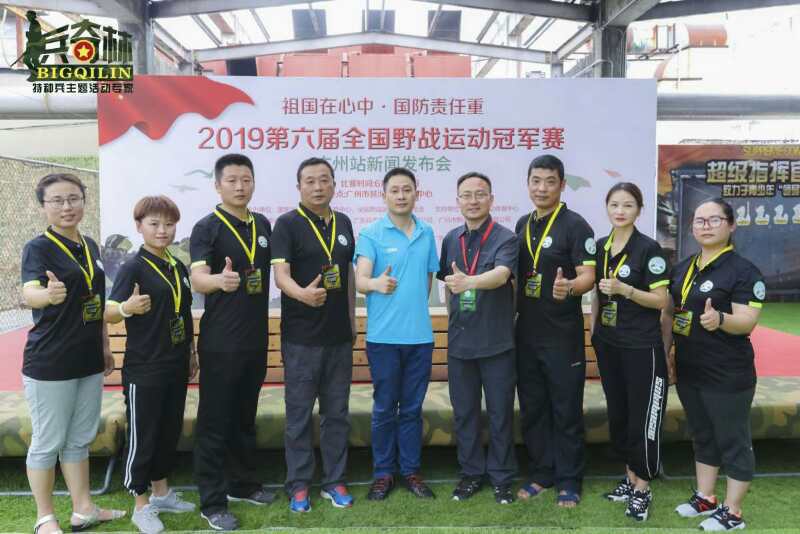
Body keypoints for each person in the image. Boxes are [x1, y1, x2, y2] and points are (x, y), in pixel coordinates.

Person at [20, 173, 124, 534]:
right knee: (47, 442)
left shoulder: (90, 245)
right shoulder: (38, 248)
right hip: (50, 361)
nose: (67, 207)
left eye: (73, 199)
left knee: (80, 439)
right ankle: (44, 518)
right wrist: (47, 295)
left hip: (88, 358)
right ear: (43, 206)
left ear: (83, 201)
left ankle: (84, 509)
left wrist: (105, 346)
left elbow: (97, 303)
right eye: (57, 201)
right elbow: (29, 293)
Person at [663, 198, 765, 532]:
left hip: (728, 372)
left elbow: (747, 320)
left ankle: (733, 512)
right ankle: (705, 497)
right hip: (691, 368)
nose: (705, 226)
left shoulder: (744, 271)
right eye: (699, 220)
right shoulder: (683, 268)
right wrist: (666, 353)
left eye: (714, 220)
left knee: (733, 439)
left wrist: (720, 319)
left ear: (731, 225)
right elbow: (669, 313)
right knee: (703, 434)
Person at [189, 154, 273, 531]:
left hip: (255, 339)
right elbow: (197, 278)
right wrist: (218, 282)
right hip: (221, 342)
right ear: (217, 185)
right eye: (232, 180)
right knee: (215, 422)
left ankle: (243, 484)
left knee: (244, 418)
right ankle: (212, 502)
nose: (240, 186)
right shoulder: (206, 228)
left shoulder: (263, 225)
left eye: (246, 179)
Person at [104, 196, 198, 533]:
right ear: (139, 226)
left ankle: (161, 493)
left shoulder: (177, 266)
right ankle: (140, 504)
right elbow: (108, 312)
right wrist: (126, 308)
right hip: (145, 367)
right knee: (143, 436)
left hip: (175, 363)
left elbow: (183, 313)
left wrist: (191, 353)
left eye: (169, 224)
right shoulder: (133, 267)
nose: (162, 230)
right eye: (154, 224)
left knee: (167, 431)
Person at [270, 158, 356, 512]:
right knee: (299, 416)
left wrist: (352, 321)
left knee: (337, 415)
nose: (318, 187)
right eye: (310, 181)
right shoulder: (287, 225)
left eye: (324, 180)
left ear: (334, 184)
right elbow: (281, 275)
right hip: (301, 340)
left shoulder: (344, 222)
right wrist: (302, 294)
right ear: (299, 187)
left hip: (339, 339)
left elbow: (348, 276)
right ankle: (299, 484)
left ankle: (334, 481)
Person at [514, 155, 596, 507]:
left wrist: (571, 287)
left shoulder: (576, 226)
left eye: (550, 181)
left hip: (562, 336)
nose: (542, 188)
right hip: (526, 334)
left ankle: (569, 480)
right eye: (536, 181)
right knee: (533, 407)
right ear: (528, 184)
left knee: (566, 409)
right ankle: (542, 472)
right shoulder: (522, 224)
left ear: (562, 185)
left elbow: (588, 276)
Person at [355, 167, 439, 501]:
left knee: (412, 409)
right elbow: (361, 280)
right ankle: (383, 474)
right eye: (395, 190)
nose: (401, 195)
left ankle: (411, 471)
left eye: (407, 189)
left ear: (416, 192)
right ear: (384, 195)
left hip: (420, 338)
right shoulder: (372, 233)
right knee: (385, 408)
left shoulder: (427, 232)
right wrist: (376, 284)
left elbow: (428, 281)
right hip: (383, 339)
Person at [590, 183, 670, 522]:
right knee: (620, 415)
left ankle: (643, 489)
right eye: (614, 204)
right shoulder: (600, 247)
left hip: (641, 347)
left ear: (639, 209)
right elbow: (597, 294)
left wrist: (626, 289)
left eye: (628, 205)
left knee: (642, 418)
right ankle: (629, 478)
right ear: (607, 208)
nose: (620, 211)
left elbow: (661, 300)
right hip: (610, 345)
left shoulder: (649, 249)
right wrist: (594, 332)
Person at [437, 172, 518, 505]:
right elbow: (447, 283)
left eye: (480, 194)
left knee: (500, 414)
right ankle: (470, 474)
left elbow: (501, 275)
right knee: (465, 413)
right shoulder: (450, 239)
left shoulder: (506, 238)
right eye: (466, 195)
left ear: (491, 199)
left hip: (497, 343)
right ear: (458, 201)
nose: (473, 201)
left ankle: (501, 478)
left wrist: (470, 282)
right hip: (460, 344)